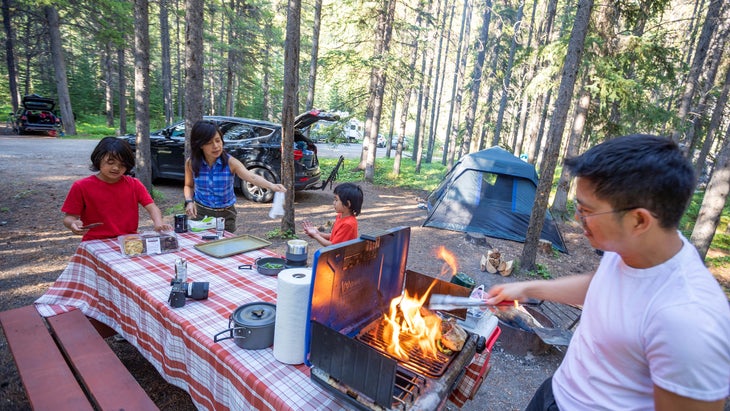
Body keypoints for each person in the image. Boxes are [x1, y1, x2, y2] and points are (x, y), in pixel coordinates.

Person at [485, 134, 730, 411]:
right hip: (557, 391)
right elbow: (602, 284)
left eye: (586, 210)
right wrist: (526, 289)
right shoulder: (634, 245)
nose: (578, 218)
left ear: (638, 220)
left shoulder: (688, 321)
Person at [183, 120, 285, 232]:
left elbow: (252, 177)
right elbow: (188, 186)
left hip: (226, 214)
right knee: (201, 244)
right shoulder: (191, 163)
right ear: (200, 144)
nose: (216, 146)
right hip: (202, 213)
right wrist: (189, 201)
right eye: (209, 143)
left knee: (225, 246)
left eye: (218, 140)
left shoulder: (230, 162)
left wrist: (272, 186)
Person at [62, 137, 172, 241]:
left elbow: (152, 208)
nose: (116, 168)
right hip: (95, 242)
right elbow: (69, 217)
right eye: (110, 162)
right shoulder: (81, 186)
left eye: (122, 164)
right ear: (98, 158)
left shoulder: (134, 184)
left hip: (129, 240)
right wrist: (73, 224)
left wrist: (158, 223)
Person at [302, 182, 363, 246]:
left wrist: (316, 236)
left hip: (340, 255)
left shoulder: (348, 224)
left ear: (347, 204)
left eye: (336, 200)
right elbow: (335, 237)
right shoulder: (340, 216)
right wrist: (318, 234)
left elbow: (332, 246)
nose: (334, 203)